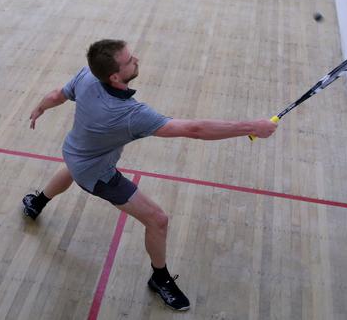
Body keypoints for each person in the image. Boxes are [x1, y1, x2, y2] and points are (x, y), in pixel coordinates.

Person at [22, 39, 277, 311]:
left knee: (72, 168)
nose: (137, 60)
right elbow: (195, 129)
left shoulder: (87, 75)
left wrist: (40, 107)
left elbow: (56, 95)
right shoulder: (130, 114)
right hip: (96, 172)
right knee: (158, 220)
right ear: (115, 76)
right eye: (130, 60)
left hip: (74, 149)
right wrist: (252, 126)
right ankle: (160, 278)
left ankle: (37, 202)